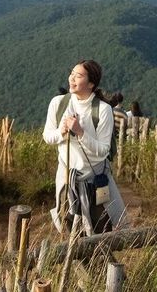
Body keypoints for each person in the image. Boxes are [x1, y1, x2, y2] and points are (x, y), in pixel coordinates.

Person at [43, 60, 128, 236]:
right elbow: (48, 137)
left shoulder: (103, 110)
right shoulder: (58, 103)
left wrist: (80, 132)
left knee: (100, 229)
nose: (72, 78)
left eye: (78, 75)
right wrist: (62, 131)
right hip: (67, 180)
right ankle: (82, 262)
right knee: (71, 231)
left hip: (95, 181)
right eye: (71, 73)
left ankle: (103, 263)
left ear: (91, 84)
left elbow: (103, 151)